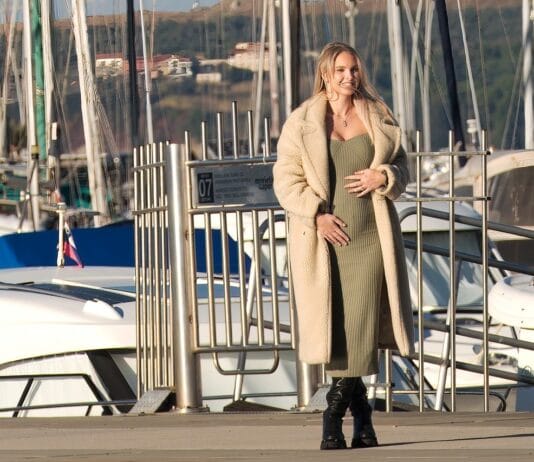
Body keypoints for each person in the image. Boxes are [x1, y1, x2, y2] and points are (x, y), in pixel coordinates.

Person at [273, 42, 415, 450]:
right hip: (325, 244)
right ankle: (364, 419)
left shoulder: (378, 115)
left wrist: (384, 176)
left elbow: (403, 167)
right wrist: (316, 214)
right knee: (338, 332)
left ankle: (332, 415)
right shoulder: (302, 121)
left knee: (361, 326)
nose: (349, 76)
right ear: (326, 74)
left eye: (354, 69)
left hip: (371, 238)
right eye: (341, 70)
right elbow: (286, 181)